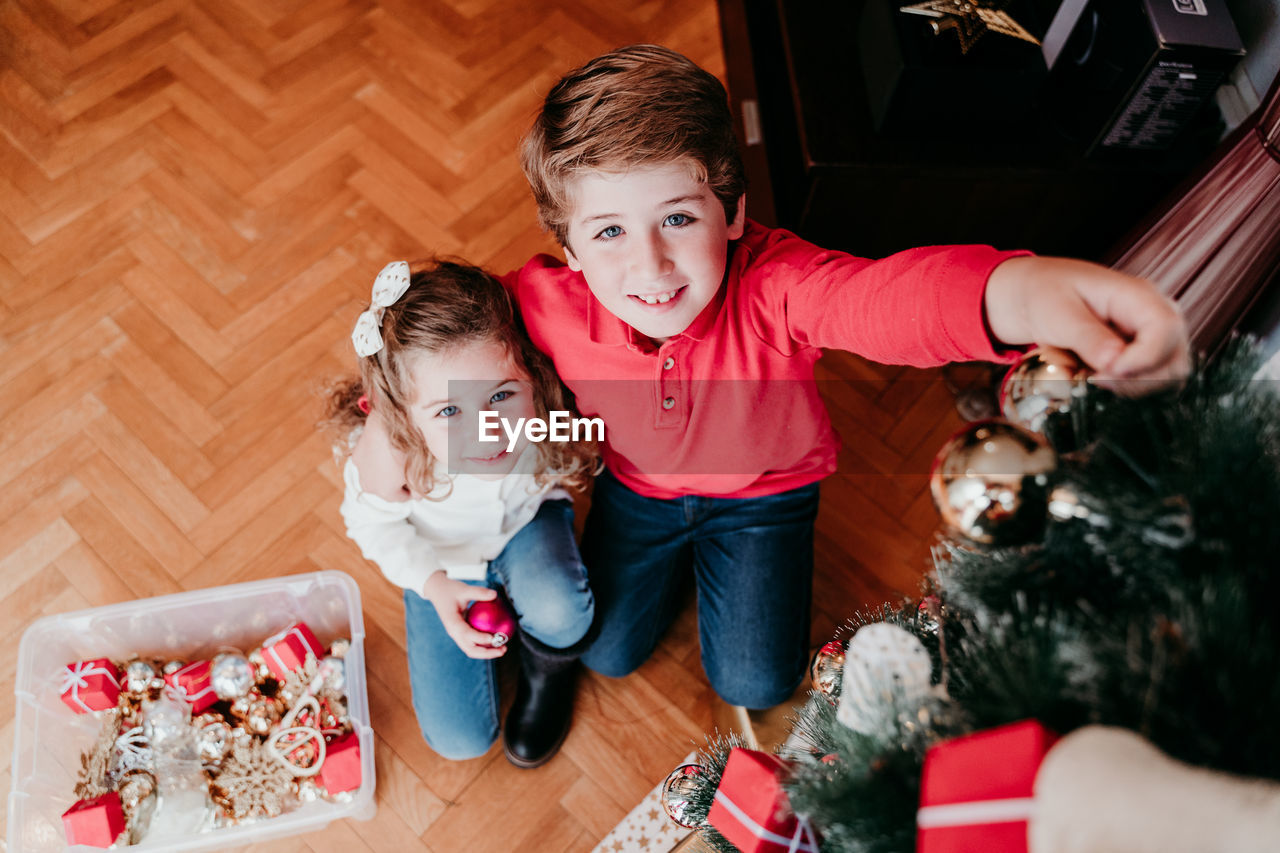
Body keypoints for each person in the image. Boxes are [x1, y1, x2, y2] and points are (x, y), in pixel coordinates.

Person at [501, 44, 1191, 710]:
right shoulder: (542, 302)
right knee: (605, 652)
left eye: (677, 217)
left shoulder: (777, 283)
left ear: (735, 211)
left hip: (766, 498)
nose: (650, 267)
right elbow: (446, 349)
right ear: (571, 251)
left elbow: (883, 299)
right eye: (609, 232)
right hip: (639, 493)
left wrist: (1024, 294)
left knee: (756, 685)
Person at [324, 258, 598, 767]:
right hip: (443, 563)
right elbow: (370, 525)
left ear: (529, 376)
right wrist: (431, 584)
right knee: (458, 740)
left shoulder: (544, 402)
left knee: (563, 611)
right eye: (450, 411)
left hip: (526, 525)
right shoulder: (390, 454)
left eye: (500, 395)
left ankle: (548, 674)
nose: (487, 430)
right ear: (403, 415)